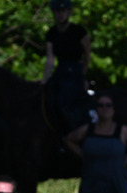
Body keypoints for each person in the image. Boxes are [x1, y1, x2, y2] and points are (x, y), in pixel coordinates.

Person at [43, 0, 90, 132]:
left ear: (69, 12)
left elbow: (87, 55)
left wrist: (83, 76)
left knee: (67, 99)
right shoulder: (51, 33)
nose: (60, 14)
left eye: (63, 11)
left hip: (75, 70)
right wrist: (45, 79)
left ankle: (72, 130)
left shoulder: (79, 31)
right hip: (61, 69)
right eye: (57, 11)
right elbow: (50, 58)